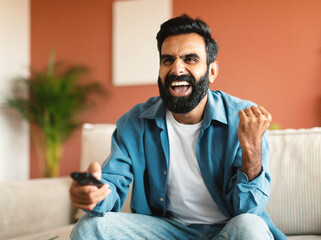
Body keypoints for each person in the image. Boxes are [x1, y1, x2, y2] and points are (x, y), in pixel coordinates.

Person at [70, 14, 286, 240]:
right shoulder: (135, 122)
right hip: (166, 231)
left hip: (226, 230)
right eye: (167, 60)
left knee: (250, 227)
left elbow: (248, 210)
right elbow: (112, 184)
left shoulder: (242, 118)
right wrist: (94, 194)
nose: (177, 69)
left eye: (190, 59)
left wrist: (251, 150)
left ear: (212, 71)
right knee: (89, 227)